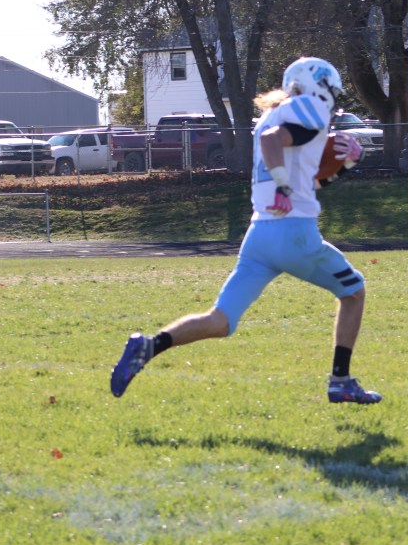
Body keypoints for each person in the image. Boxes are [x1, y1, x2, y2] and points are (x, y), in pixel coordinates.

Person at [110, 57, 380, 404]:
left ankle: (148, 346)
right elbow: (272, 142)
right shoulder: (307, 107)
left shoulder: (276, 112)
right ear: (318, 85)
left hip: (260, 235)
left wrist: (346, 164)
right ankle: (340, 381)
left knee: (221, 320)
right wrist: (284, 188)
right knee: (354, 291)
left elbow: (309, 181)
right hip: (293, 233)